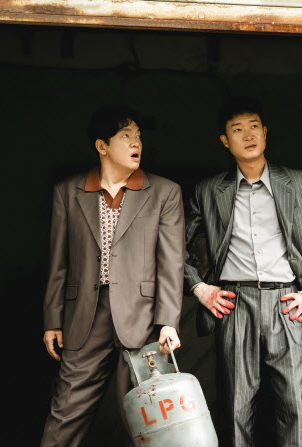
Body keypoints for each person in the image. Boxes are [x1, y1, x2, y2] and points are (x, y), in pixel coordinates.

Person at [184, 96, 302, 447]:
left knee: (294, 406)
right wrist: (200, 288)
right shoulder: (209, 190)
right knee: (236, 406)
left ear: (265, 132)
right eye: (237, 129)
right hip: (234, 302)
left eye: (254, 127)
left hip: (288, 301)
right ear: (224, 141)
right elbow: (173, 247)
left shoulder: (299, 182)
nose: (248, 135)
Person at [40, 105, 185, 446]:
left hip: (144, 319)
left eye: (138, 136)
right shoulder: (68, 191)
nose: (136, 143)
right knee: (66, 413)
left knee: (153, 419)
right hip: (84, 316)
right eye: (125, 136)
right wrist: (53, 319)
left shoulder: (164, 192)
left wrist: (168, 322)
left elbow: (171, 263)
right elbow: (58, 262)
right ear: (101, 146)